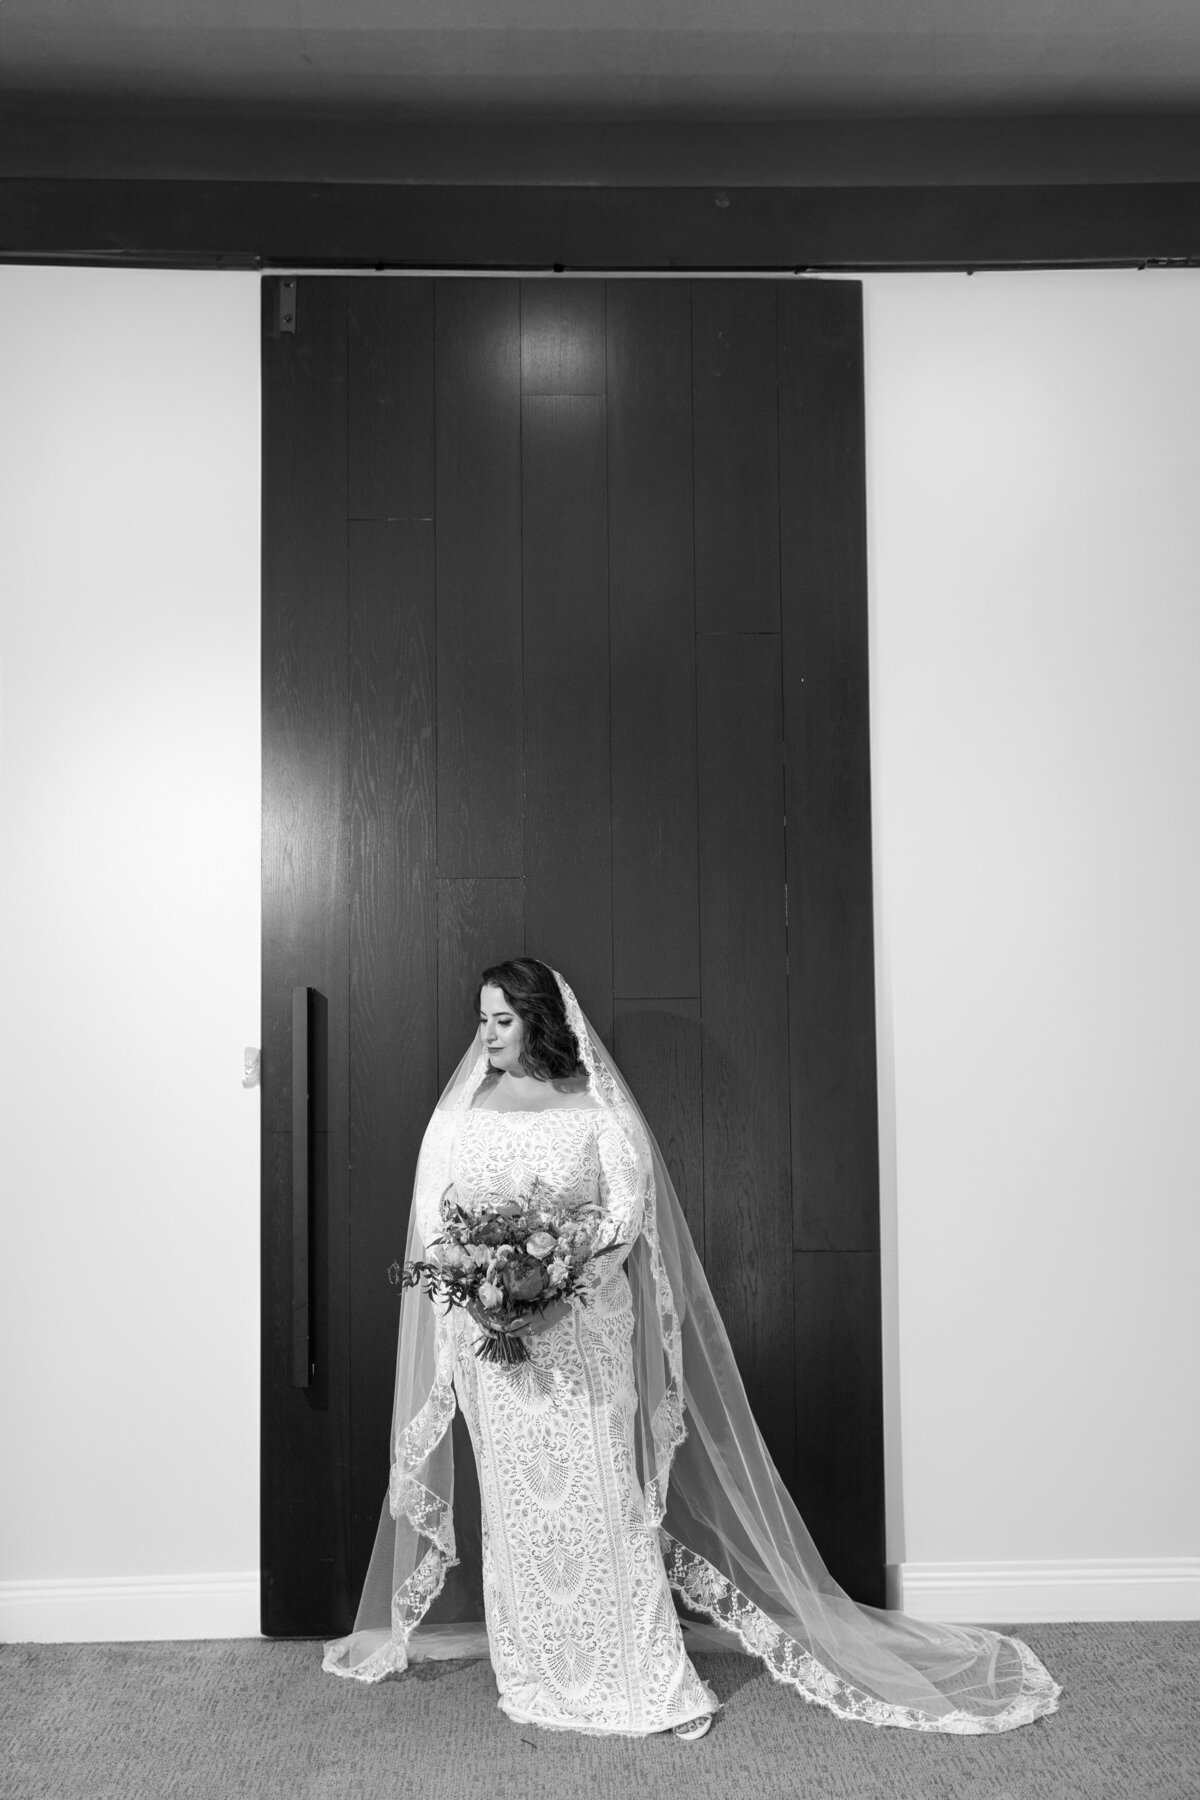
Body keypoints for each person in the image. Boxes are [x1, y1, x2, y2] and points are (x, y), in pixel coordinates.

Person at [324, 959, 1061, 1739]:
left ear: (539, 1020)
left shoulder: (598, 1112)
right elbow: (438, 1229)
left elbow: (623, 1217)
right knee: (519, 1517)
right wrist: (488, 1296)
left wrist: (555, 1291)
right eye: (482, 1020)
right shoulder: (459, 1118)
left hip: (582, 1342)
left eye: (502, 1020)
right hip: (495, 1353)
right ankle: (538, 1671)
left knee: (606, 1502)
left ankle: (643, 1680)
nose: (487, 1035)